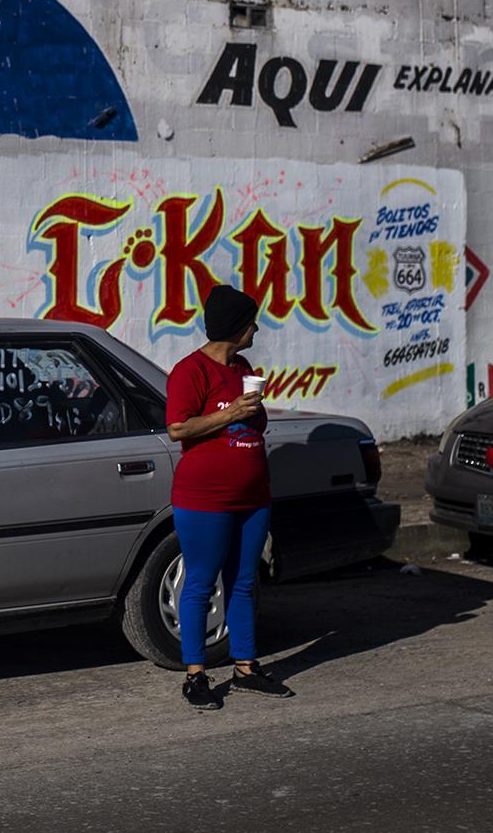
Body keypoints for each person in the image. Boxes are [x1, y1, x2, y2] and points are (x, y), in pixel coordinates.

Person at [164, 283, 295, 709]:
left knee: (244, 581)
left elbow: (252, 427)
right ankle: (196, 674)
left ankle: (245, 667)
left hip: (253, 496)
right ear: (236, 327)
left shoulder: (242, 369)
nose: (257, 329)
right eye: (251, 322)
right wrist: (230, 414)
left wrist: (252, 413)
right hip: (205, 498)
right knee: (201, 582)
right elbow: (179, 428)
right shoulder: (190, 372)